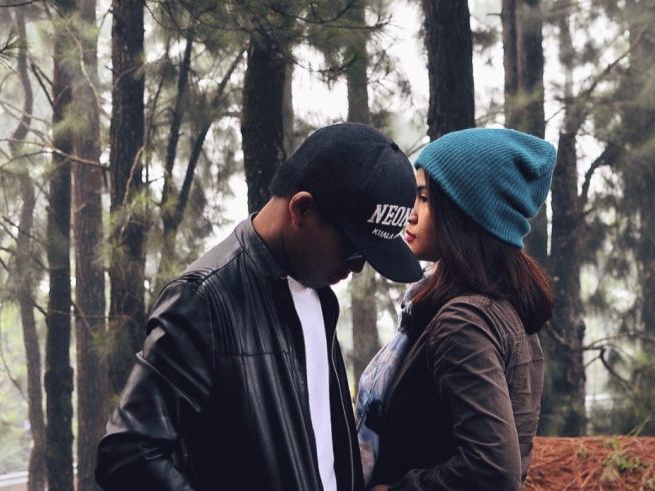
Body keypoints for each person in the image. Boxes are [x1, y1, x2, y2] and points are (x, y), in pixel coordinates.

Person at [96, 123, 423, 491]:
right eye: (353, 249)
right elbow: (128, 455)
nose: (358, 267)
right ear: (301, 208)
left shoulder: (320, 295)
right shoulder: (203, 299)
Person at [356, 127, 556, 490]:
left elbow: (494, 469)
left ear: (467, 212)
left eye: (425, 198)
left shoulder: (463, 321)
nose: (410, 215)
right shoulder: (506, 313)